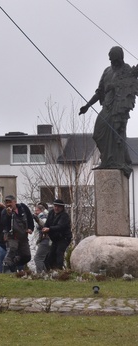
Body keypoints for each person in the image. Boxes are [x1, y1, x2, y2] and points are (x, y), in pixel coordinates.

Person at [78, 46, 138, 178]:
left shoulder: (127, 70)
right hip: (106, 107)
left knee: (117, 136)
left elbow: (130, 85)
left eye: (115, 60)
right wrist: (87, 105)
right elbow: (100, 91)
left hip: (118, 109)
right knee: (98, 134)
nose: (113, 62)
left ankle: (115, 161)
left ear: (120, 58)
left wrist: (115, 86)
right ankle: (107, 159)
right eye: (111, 60)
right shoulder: (107, 71)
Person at [1, 195, 34, 273]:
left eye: (10, 202)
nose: (8, 204)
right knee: (12, 250)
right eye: (6, 202)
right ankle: (6, 270)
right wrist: (9, 215)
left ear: (15, 202)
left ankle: (13, 264)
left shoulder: (23, 208)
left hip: (23, 236)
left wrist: (31, 228)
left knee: (27, 256)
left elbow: (30, 218)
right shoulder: (4, 212)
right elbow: (4, 224)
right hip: (12, 236)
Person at [42, 199, 72, 270]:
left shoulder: (64, 216)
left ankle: (60, 270)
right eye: (55, 206)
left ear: (62, 208)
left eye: (58, 207)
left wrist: (49, 229)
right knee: (50, 256)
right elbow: (47, 223)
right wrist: (44, 231)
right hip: (55, 239)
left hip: (64, 238)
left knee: (59, 252)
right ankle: (51, 270)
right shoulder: (51, 213)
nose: (56, 208)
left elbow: (60, 227)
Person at [32, 203, 50, 273]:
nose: (35, 212)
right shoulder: (45, 215)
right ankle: (46, 274)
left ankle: (41, 274)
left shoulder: (43, 216)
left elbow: (44, 224)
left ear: (41, 211)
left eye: (37, 211)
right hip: (45, 240)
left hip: (45, 240)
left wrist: (37, 220)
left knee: (38, 258)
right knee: (44, 260)